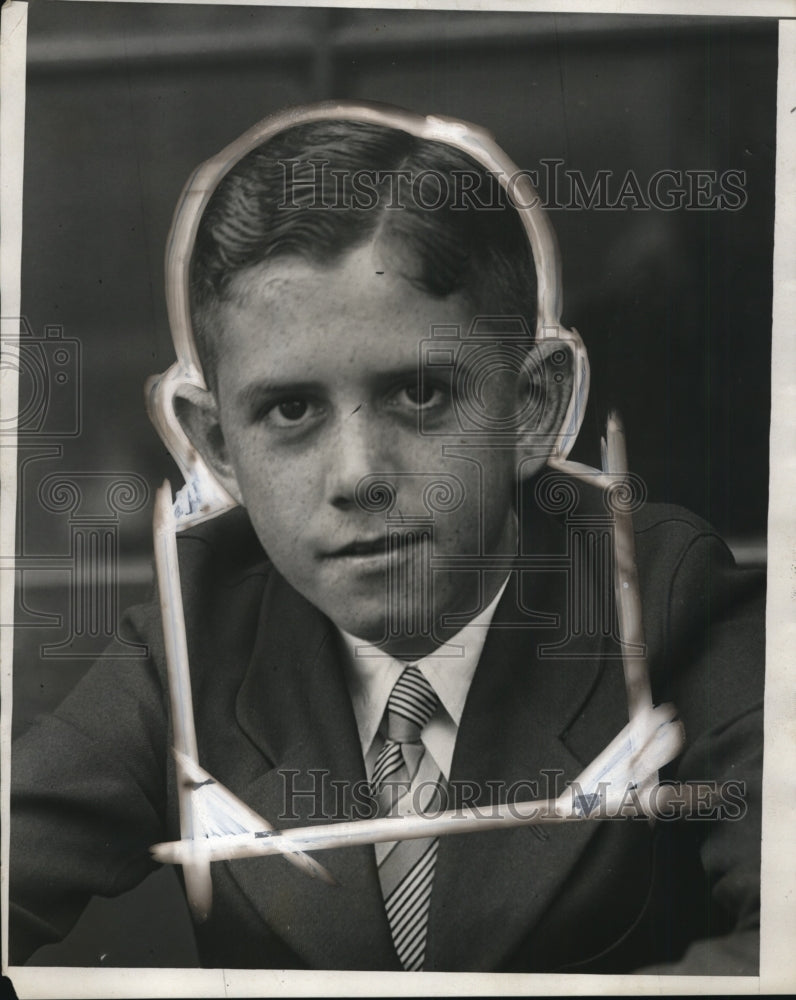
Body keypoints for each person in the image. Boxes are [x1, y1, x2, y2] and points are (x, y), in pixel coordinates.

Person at [9, 104, 764, 974]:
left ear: (533, 407)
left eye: (419, 396)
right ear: (217, 445)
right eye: (290, 411)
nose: (357, 474)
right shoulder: (191, 640)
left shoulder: (666, 596)